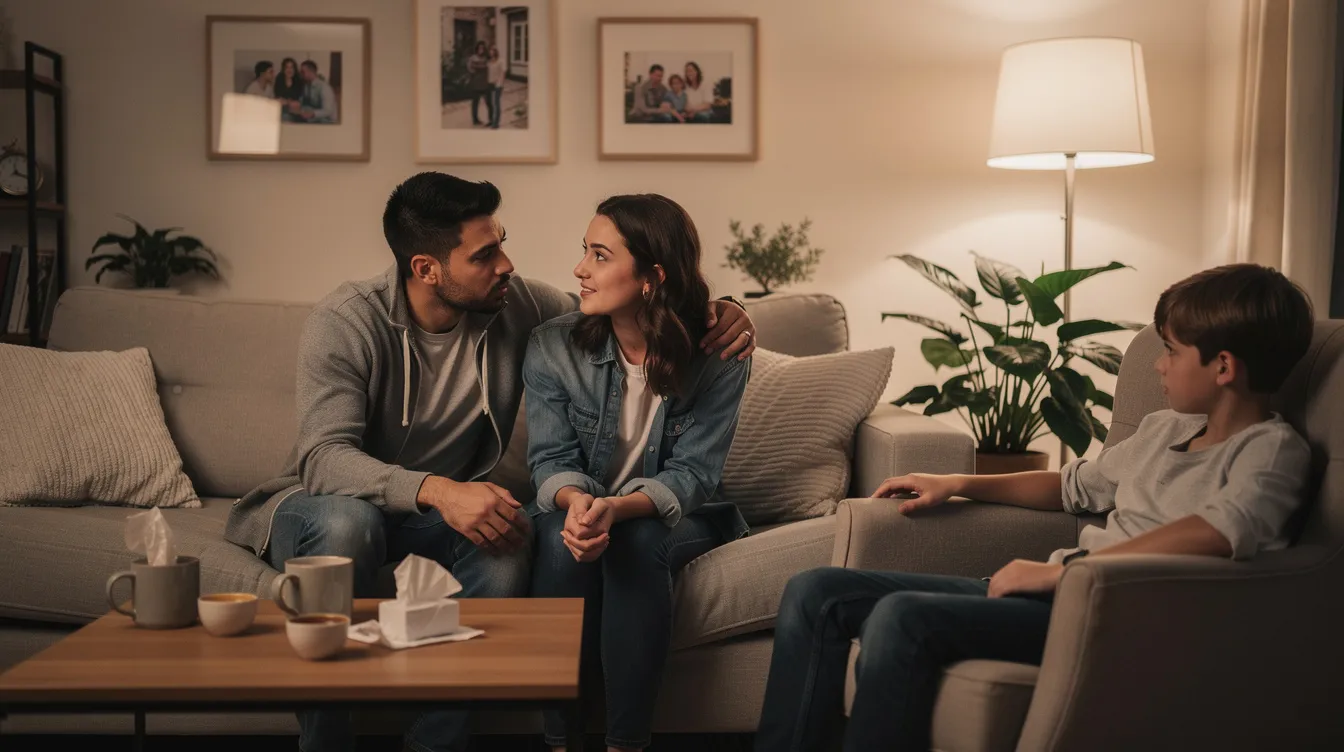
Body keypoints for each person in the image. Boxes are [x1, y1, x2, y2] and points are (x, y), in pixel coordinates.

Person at [224, 172, 758, 752]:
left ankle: (436, 743)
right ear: (427, 269)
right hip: (328, 506)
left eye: (502, 241)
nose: (506, 264)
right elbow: (324, 461)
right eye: (485, 254)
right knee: (349, 524)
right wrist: (441, 491)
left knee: (506, 545)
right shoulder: (347, 321)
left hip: (442, 513)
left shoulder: (516, 304)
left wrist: (726, 309)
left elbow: (628, 305)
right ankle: (325, 743)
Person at [753, 263, 1316, 752]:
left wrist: (1067, 571)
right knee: (816, 590)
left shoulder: (1270, 451)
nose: (1158, 366)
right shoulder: (1164, 429)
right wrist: (957, 481)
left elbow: (1220, 531)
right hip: (1063, 593)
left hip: (1116, 616)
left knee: (902, 618)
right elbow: (1073, 486)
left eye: (1171, 352)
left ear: (1223, 367)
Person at [526, 194, 753, 752]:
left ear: (652, 277)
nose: (580, 268)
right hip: (577, 506)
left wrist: (618, 508)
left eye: (600, 255)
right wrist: (579, 505)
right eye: (585, 251)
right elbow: (549, 462)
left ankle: (626, 744)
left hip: (677, 516)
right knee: (560, 543)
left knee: (637, 536)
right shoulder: (553, 344)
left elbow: (694, 473)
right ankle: (559, 740)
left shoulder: (718, 350)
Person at [296, 59, 338, 124]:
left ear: (310, 71)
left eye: (303, 72)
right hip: (314, 120)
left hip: (327, 121)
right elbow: (305, 103)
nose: (301, 74)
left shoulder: (324, 87)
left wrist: (313, 114)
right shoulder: (306, 86)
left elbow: (328, 110)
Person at [467, 41, 490, 127]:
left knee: (488, 102)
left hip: (484, 83)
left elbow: (489, 67)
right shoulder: (473, 58)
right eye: (480, 48)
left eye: (483, 48)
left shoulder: (486, 58)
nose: (481, 50)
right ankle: (475, 119)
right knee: (475, 103)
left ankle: (491, 120)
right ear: (477, 49)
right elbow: (470, 68)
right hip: (476, 83)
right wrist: (476, 70)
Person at [487, 45, 506, 129]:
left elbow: (503, 73)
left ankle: (496, 123)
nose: (491, 52)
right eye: (490, 51)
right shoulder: (489, 62)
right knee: (490, 103)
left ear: (496, 52)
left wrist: (500, 84)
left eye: (493, 51)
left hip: (498, 84)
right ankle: (491, 120)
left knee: (496, 103)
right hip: (490, 84)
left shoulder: (501, 61)